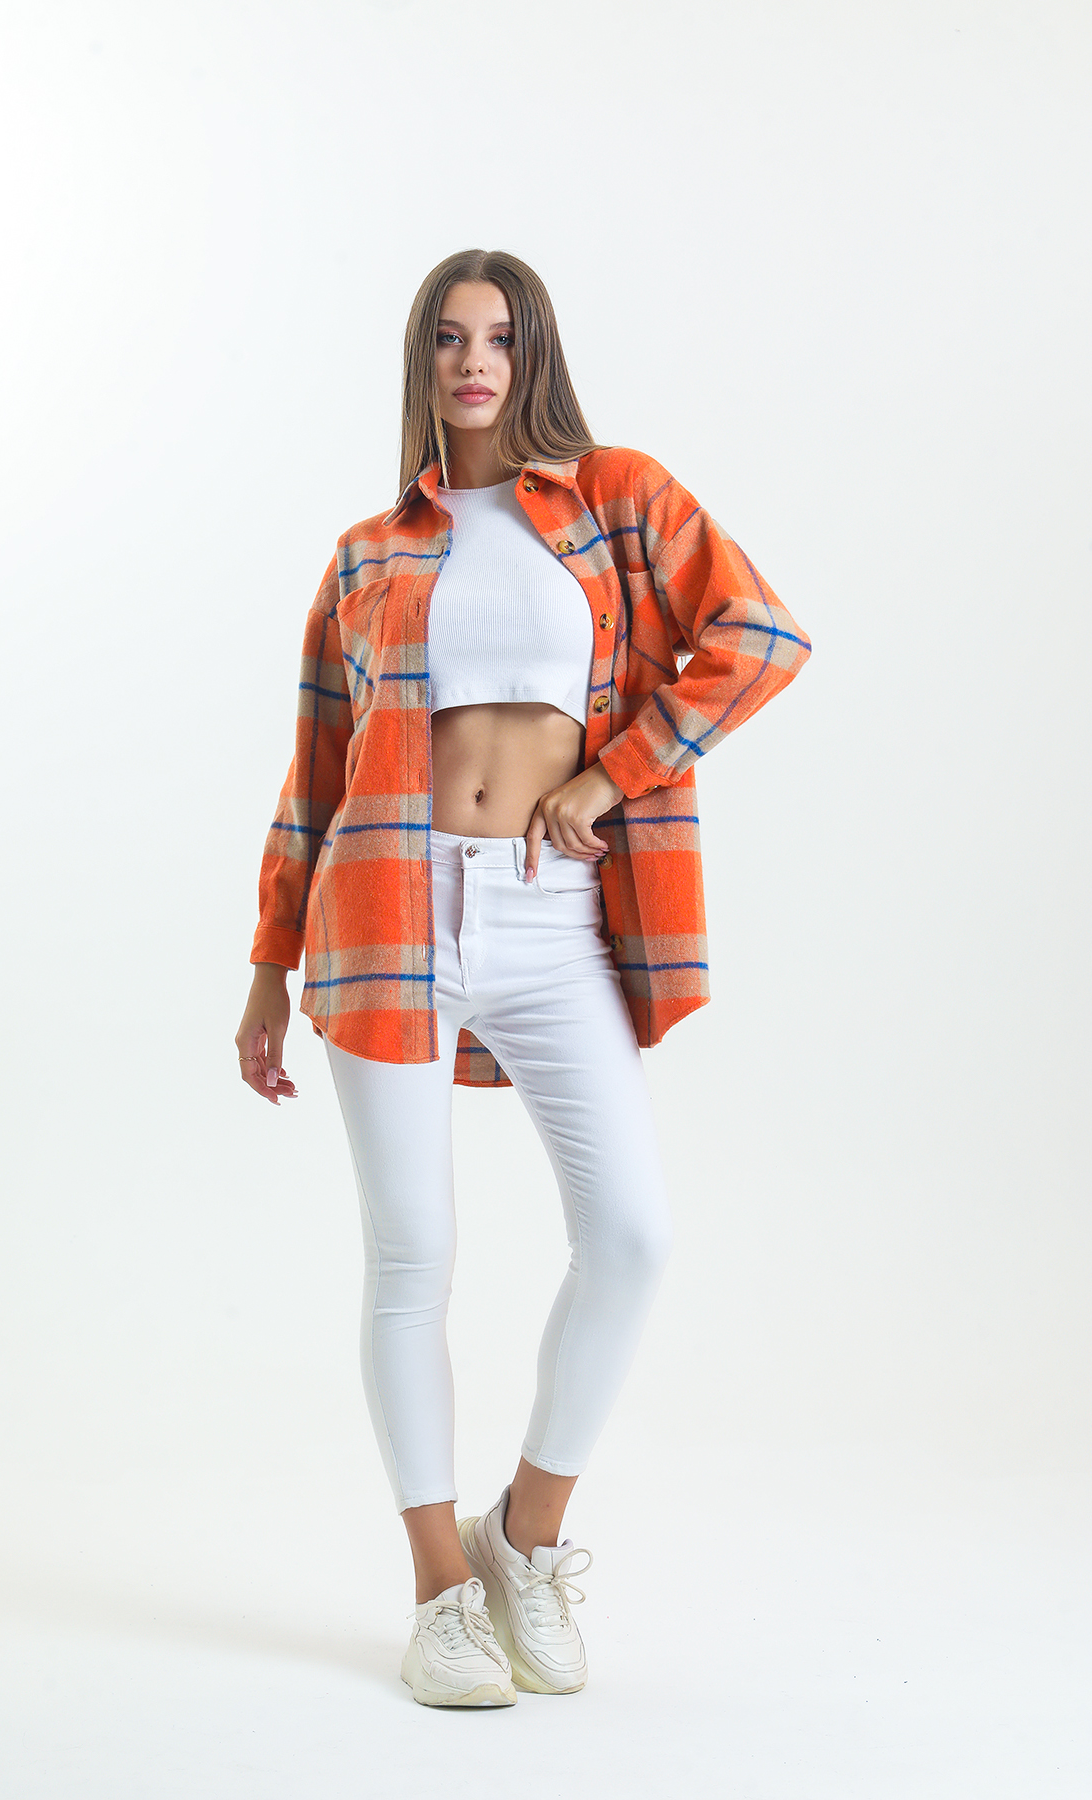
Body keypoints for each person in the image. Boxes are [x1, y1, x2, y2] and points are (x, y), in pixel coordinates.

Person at [234, 248, 811, 1709]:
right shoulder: (368, 554)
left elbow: (760, 636)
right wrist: (265, 968)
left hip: (554, 918)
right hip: (385, 908)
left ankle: (524, 1539)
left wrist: (615, 776)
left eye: (498, 337)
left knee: (632, 1236)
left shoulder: (617, 498)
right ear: (421, 362)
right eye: (448, 337)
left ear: (533, 354)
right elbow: (314, 775)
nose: (473, 361)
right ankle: (440, 1592)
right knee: (413, 1254)